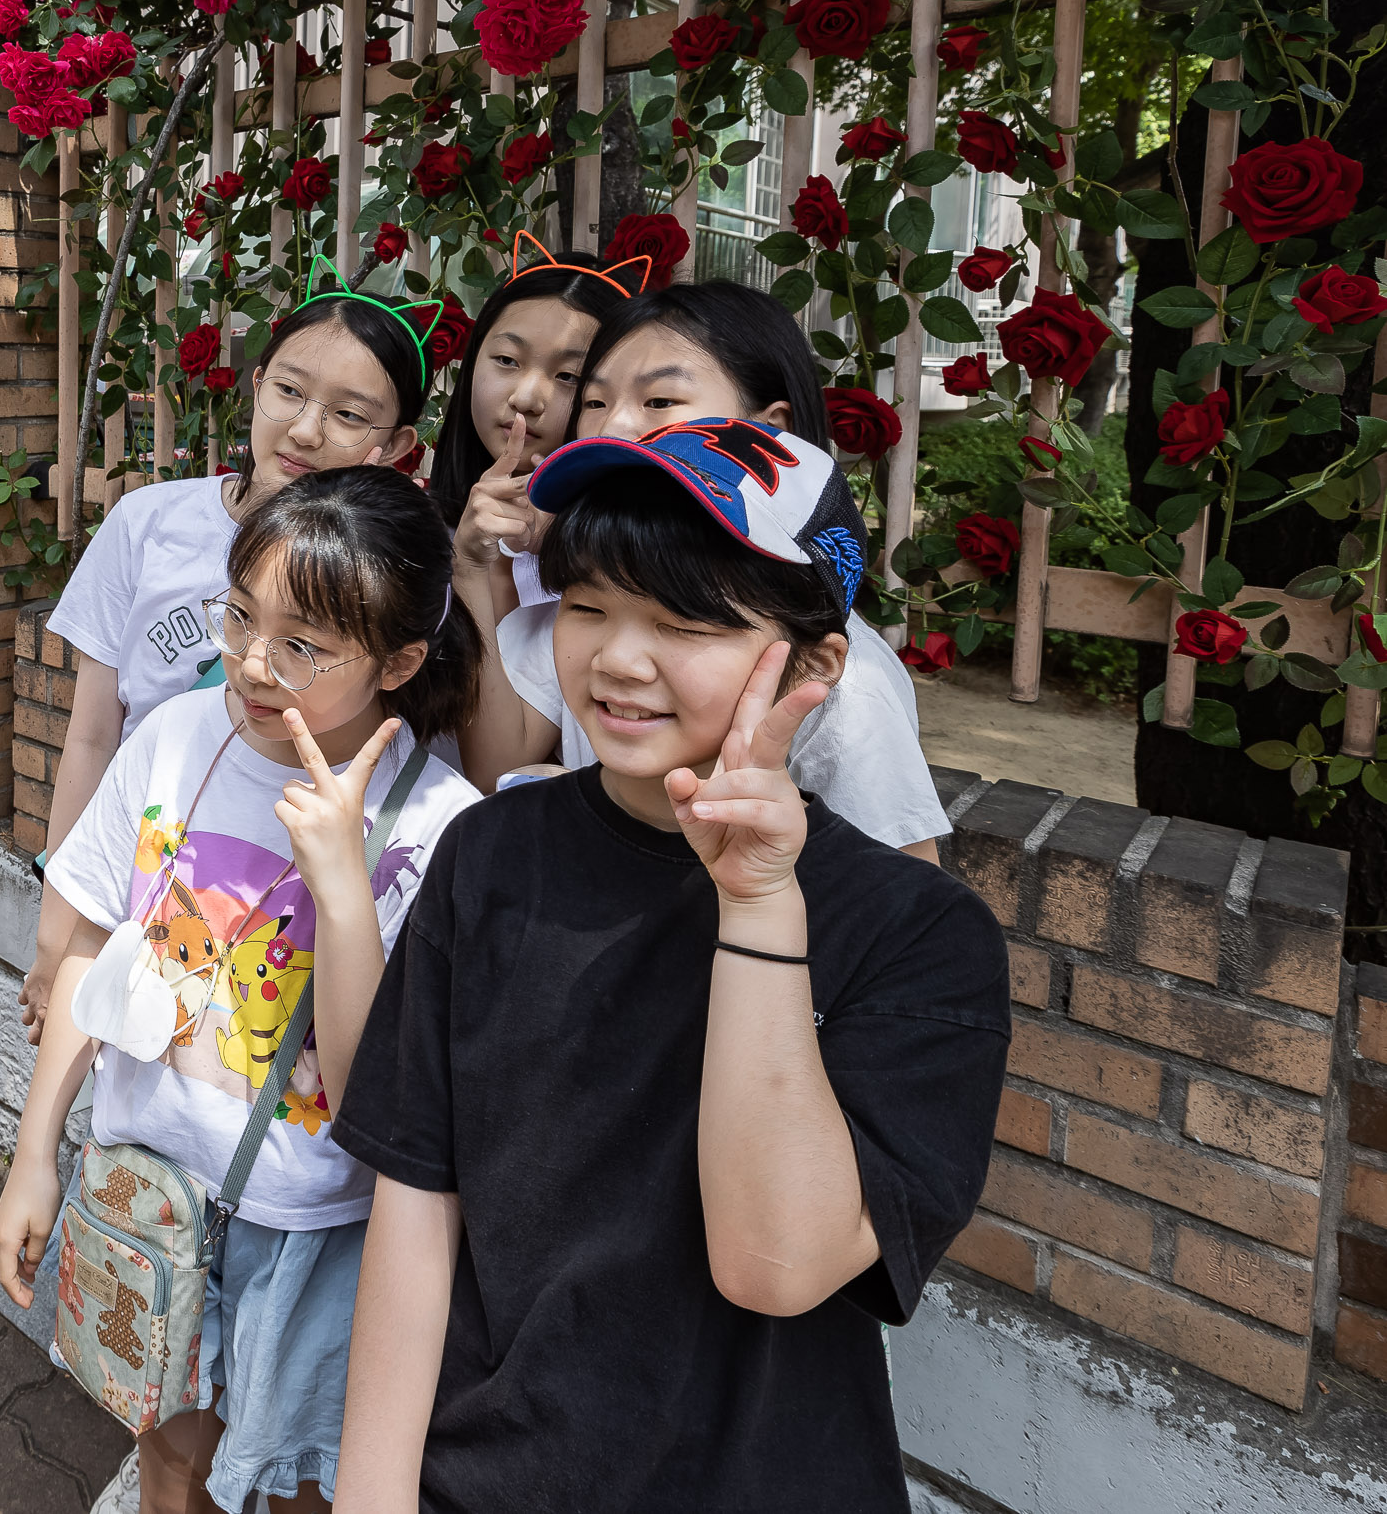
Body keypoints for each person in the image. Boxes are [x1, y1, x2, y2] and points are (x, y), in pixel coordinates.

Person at [331, 422, 1010, 1514]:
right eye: (589, 604)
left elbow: (776, 1261)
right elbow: (417, 1190)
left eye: (684, 620)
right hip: (483, 1474)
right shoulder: (493, 854)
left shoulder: (917, 934)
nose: (617, 658)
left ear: (814, 662)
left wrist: (755, 901)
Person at [0, 466, 481, 1514]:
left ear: (399, 659)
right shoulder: (173, 737)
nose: (254, 663)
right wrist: (37, 1150)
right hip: (147, 1191)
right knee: (169, 1462)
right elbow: (88, 943)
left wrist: (342, 883)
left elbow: (366, 1104)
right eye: (240, 613)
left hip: (310, 1237)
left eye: (303, 644)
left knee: (295, 1489)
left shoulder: (444, 828)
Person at [19, 266, 445, 1042]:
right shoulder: (148, 524)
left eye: (349, 413)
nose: (307, 430)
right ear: (256, 387)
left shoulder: (407, 583)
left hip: (292, 950)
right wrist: (58, 935)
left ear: (398, 445)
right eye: (289, 391)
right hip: (139, 893)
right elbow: (90, 734)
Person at [460, 281, 951, 859]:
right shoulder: (584, 610)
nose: (612, 426)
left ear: (773, 429)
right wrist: (473, 570)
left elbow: (905, 897)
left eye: (659, 401)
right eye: (593, 402)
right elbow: (500, 768)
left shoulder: (836, 684)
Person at [426, 237, 647, 787]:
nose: (527, 396)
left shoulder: (621, 564)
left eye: (568, 376)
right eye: (506, 360)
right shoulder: (414, 529)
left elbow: (499, 773)